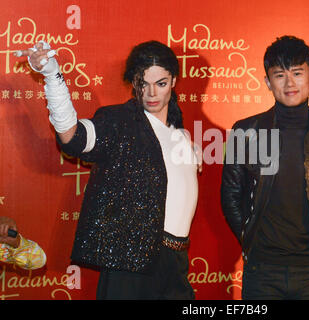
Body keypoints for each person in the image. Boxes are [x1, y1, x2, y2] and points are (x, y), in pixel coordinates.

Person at [17, 40, 200, 299]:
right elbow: (73, 137)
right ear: (132, 82)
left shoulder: (180, 134)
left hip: (176, 262)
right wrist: (52, 76)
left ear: (174, 82)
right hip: (130, 260)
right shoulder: (119, 121)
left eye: (160, 83)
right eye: (142, 83)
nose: (151, 94)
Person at [221, 36, 309, 300]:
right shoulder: (245, 131)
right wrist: (251, 236)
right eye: (280, 75)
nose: (290, 83)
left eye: (298, 73)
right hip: (262, 270)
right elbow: (230, 196)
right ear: (268, 82)